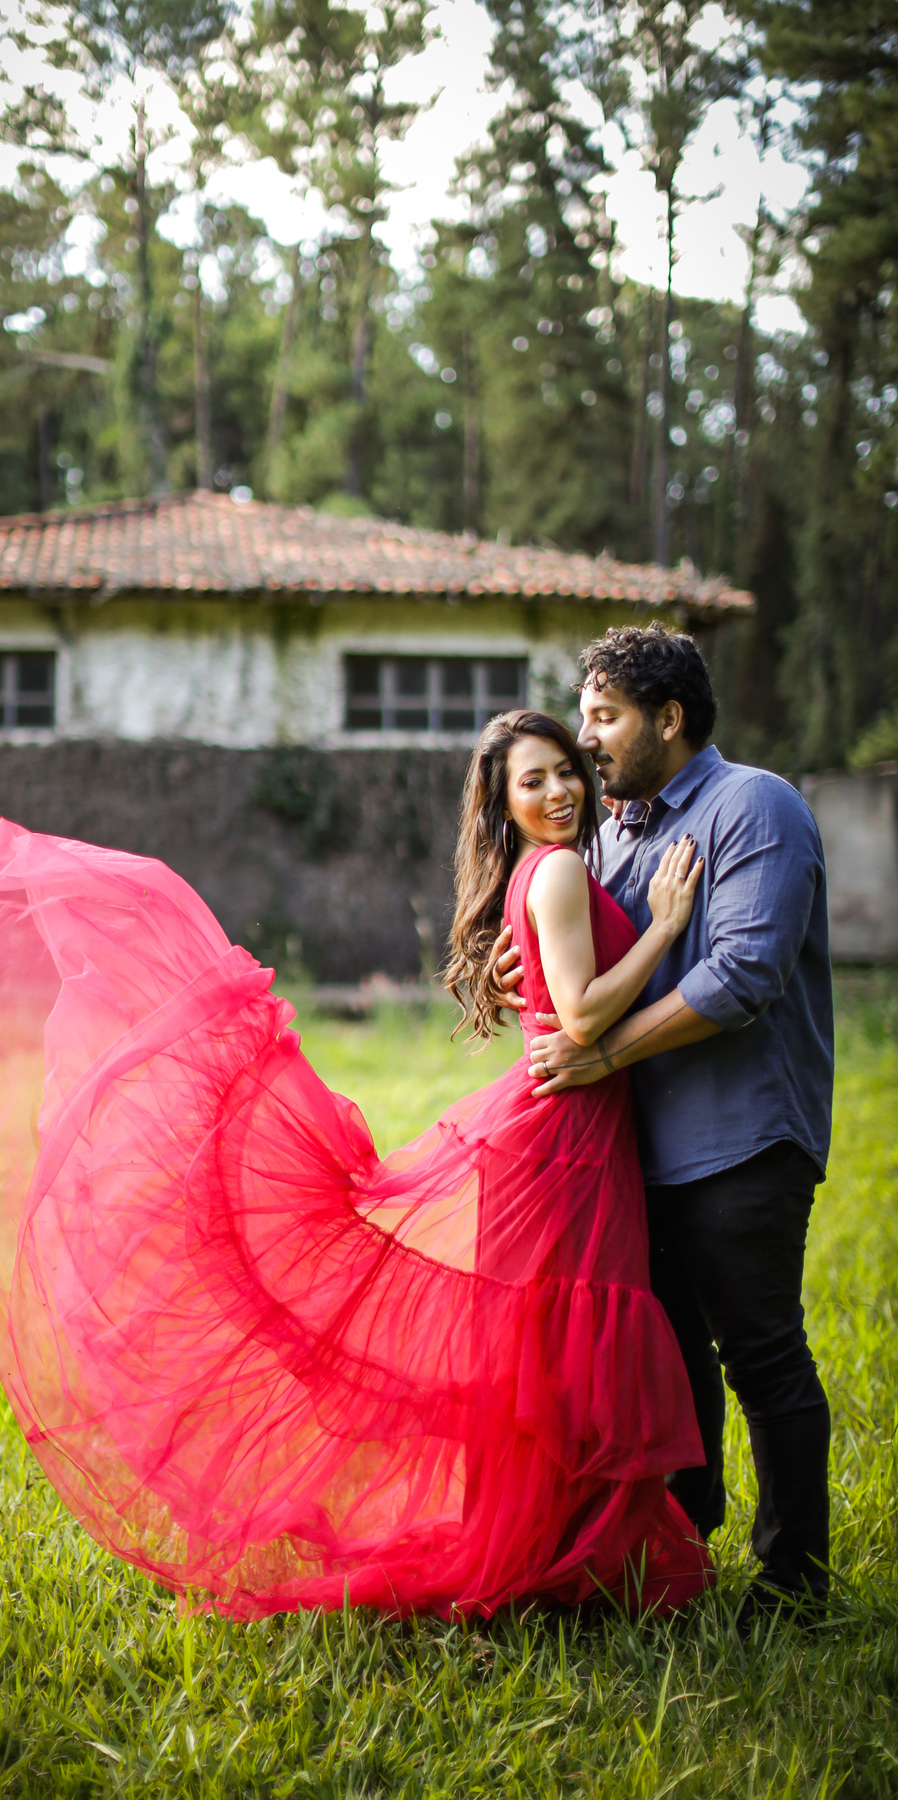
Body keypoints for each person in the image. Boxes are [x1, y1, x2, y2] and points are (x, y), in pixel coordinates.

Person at [0, 711, 712, 1621]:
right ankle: (552, 1564)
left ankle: (549, 1558)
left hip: (559, 1131)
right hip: (565, 1139)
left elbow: (554, 997)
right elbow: (582, 1020)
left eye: (565, 771)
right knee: (556, 1353)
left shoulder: (540, 874)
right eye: (531, 781)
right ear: (503, 806)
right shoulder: (562, 871)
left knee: (541, 1360)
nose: (558, 791)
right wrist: (663, 930)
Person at [493, 625, 834, 1627]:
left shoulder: (754, 806)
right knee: (670, 1362)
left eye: (604, 717)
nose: (588, 739)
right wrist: (520, 969)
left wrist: (599, 1054)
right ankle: (681, 1556)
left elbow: (742, 978)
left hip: (743, 1139)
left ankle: (794, 1580)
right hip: (636, 1151)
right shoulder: (611, 835)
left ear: (669, 719)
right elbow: (578, 958)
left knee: (761, 1357)